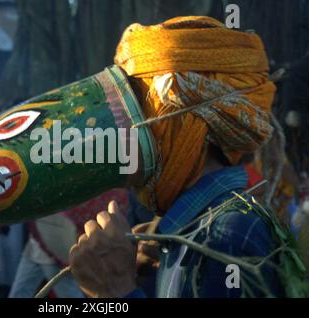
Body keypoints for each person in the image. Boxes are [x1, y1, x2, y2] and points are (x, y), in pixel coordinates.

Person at [69, 17, 287, 298]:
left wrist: (116, 290)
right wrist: (145, 279)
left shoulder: (229, 235)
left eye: (135, 115)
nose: (123, 136)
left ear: (182, 125)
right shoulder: (190, 235)